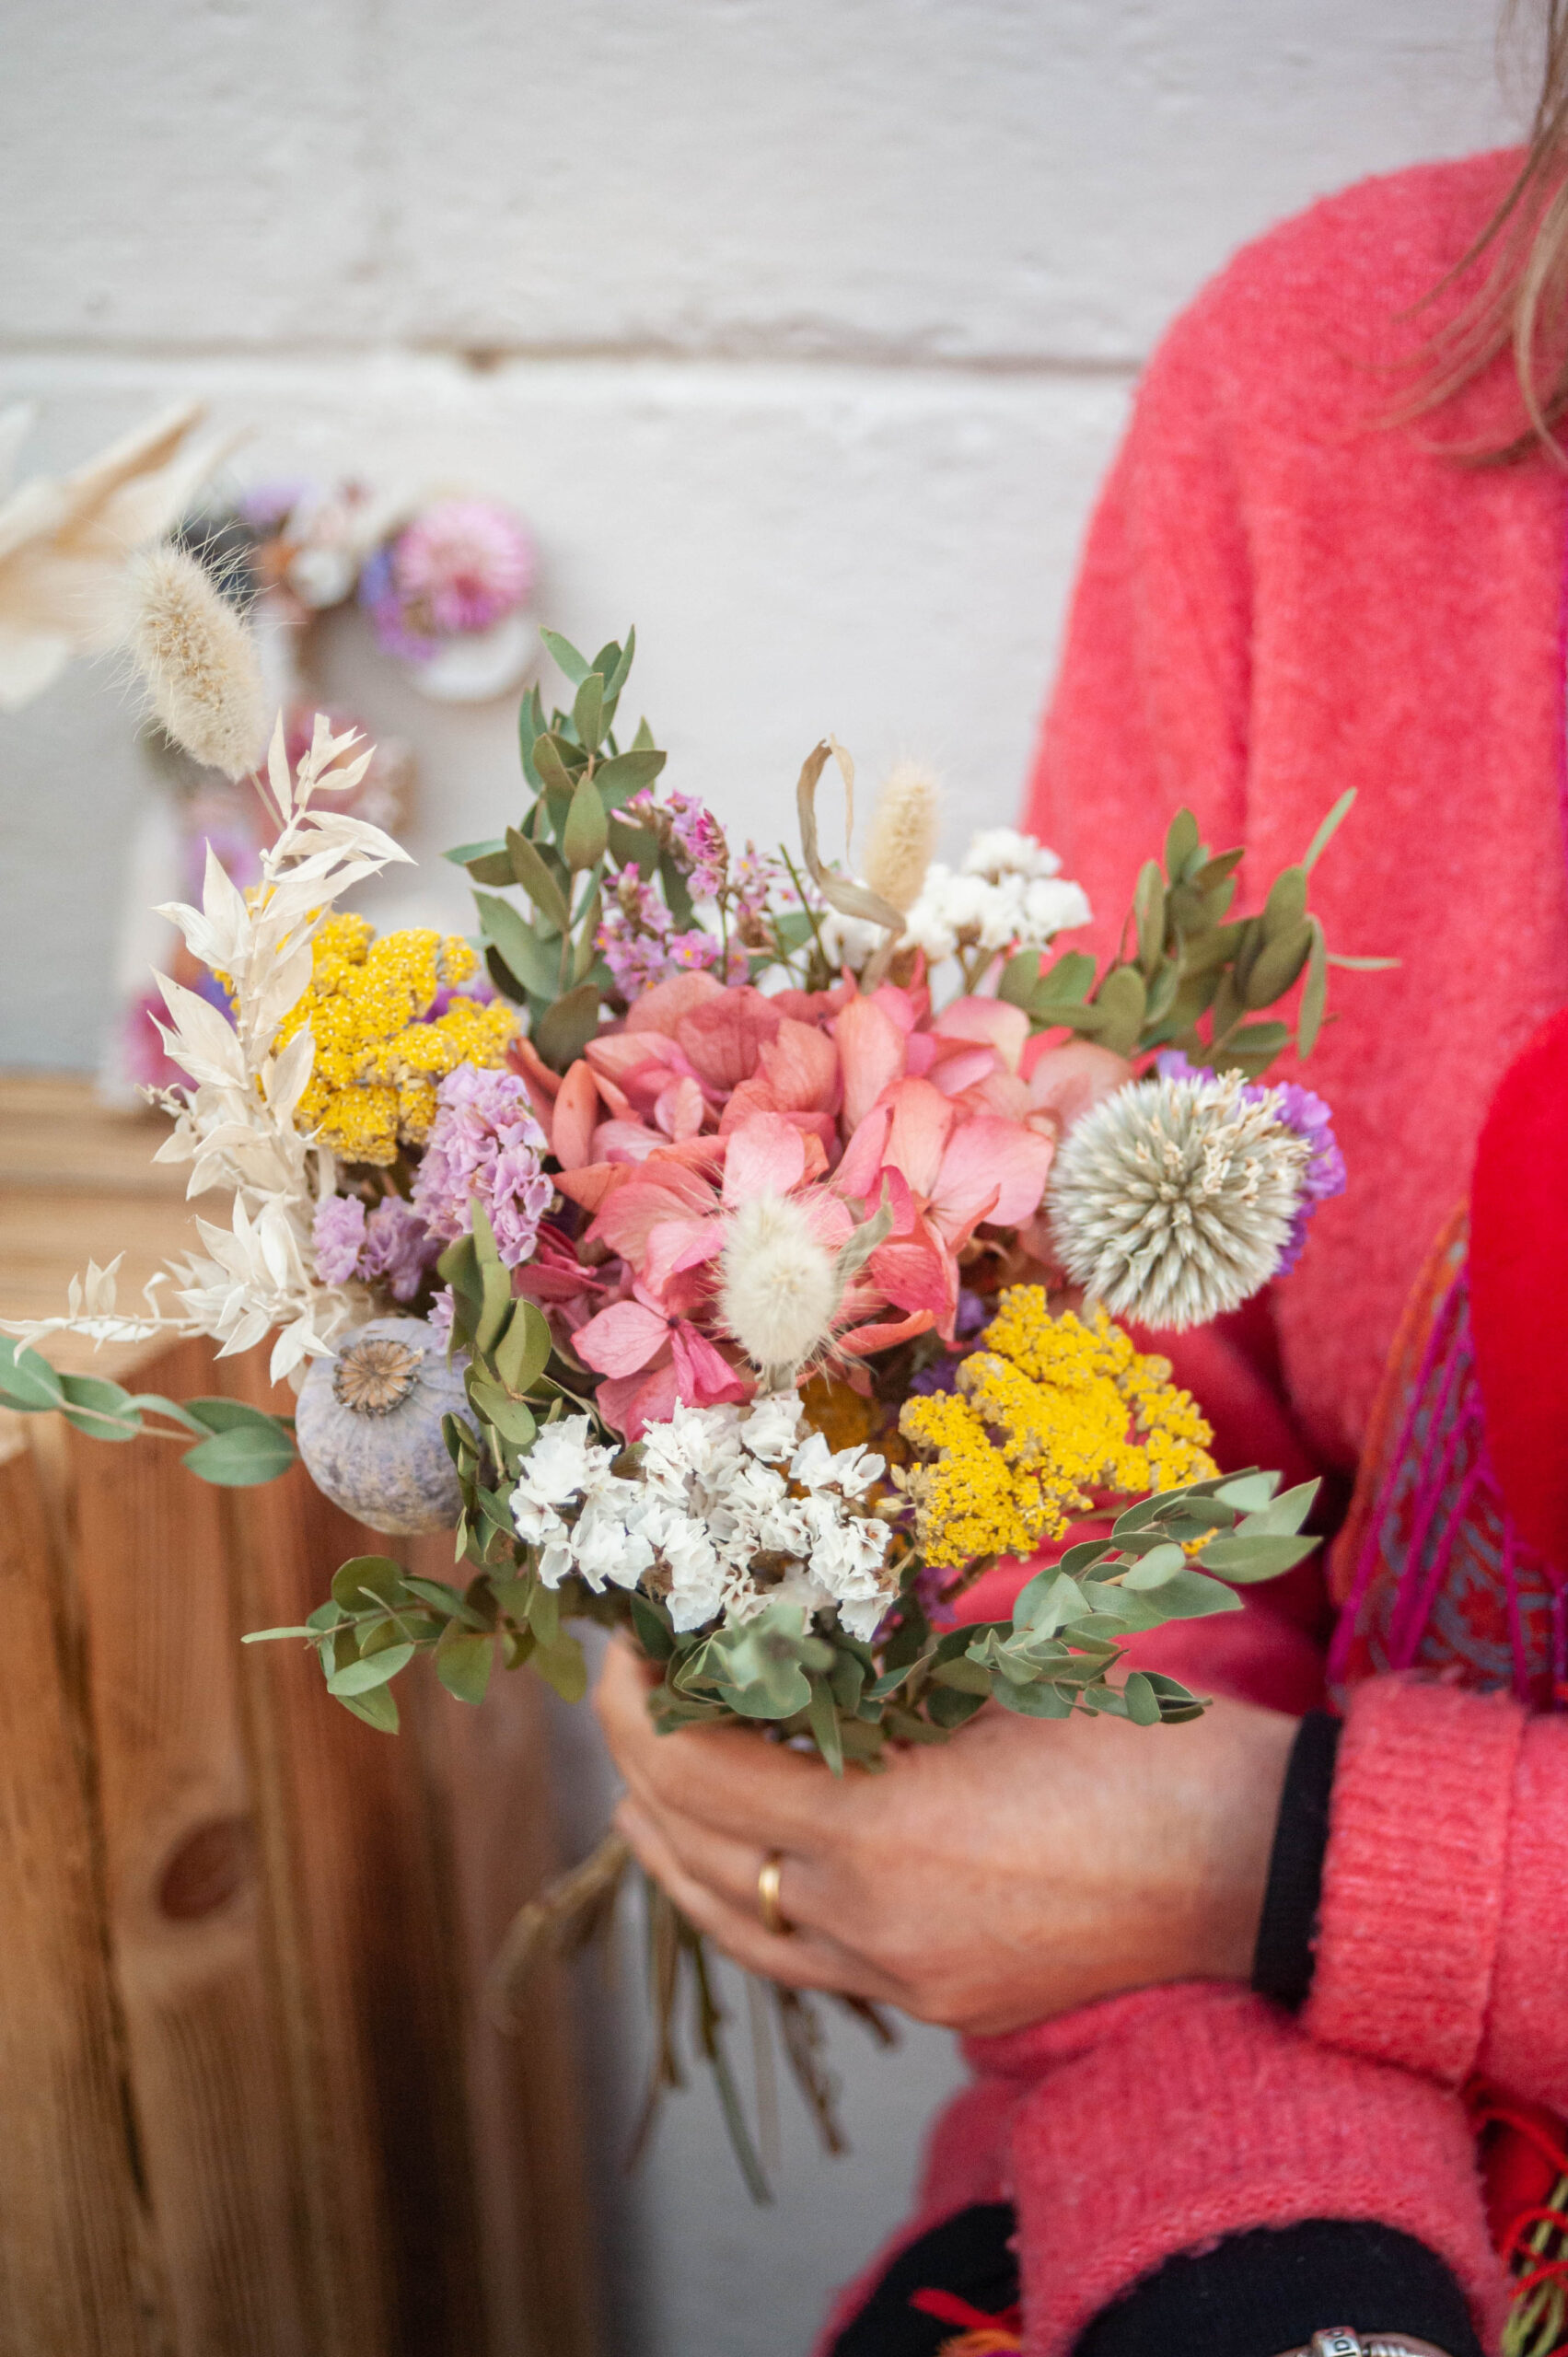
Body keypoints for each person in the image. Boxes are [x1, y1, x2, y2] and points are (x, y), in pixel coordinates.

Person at [597, 17, 1568, 2351]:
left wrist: (1290, 1852)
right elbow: (1111, 1503)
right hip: (1291, 2115)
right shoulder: (1337, 408)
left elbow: (1189, 1832)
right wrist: (1281, 2258)